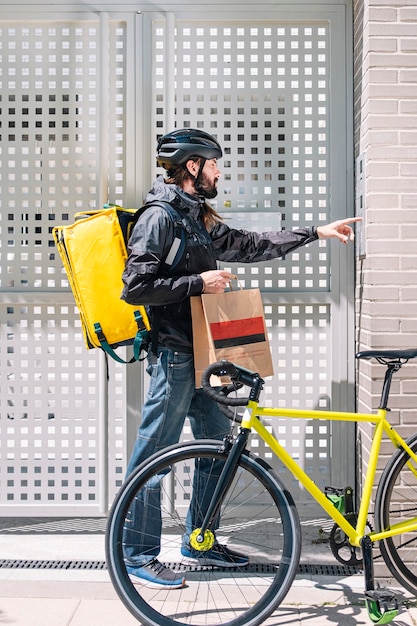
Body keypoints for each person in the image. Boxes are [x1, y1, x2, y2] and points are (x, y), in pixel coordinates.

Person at [120, 128, 360, 589]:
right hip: (173, 356)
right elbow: (135, 288)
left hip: (208, 358)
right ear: (192, 166)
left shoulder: (196, 217)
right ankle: (136, 555)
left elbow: (249, 244)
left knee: (219, 450)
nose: (219, 172)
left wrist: (315, 232)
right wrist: (200, 283)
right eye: (214, 164)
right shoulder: (159, 218)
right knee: (154, 457)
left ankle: (200, 539)